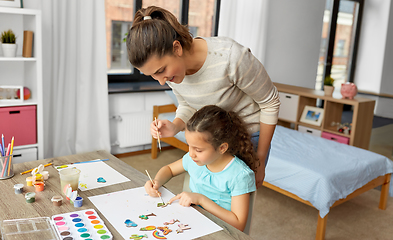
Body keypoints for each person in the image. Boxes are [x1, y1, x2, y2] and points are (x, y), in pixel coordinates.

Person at [126, 6, 280, 188]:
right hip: (212, 137)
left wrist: (259, 160)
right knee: (207, 195)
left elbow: (270, 102)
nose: (161, 81)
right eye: (152, 75)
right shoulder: (173, 72)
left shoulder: (230, 57)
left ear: (176, 48)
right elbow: (188, 103)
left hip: (248, 137)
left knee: (235, 205)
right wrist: (175, 126)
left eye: (160, 71)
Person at [144, 105, 257, 231]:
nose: (191, 153)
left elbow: (238, 224)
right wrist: (157, 182)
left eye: (198, 149)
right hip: (192, 222)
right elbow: (169, 170)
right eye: (189, 146)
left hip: (220, 230)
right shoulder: (193, 159)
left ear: (222, 148)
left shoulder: (240, 175)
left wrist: (201, 199)